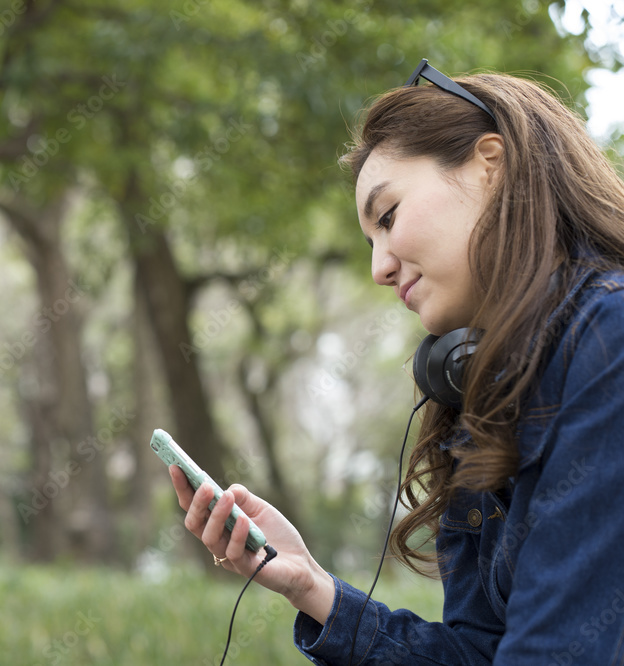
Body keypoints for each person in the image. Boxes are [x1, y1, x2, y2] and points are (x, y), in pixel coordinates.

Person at [170, 59, 624, 664]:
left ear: (492, 165)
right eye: (370, 241)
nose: (379, 268)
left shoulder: (607, 339)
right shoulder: (472, 398)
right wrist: (313, 588)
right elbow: (482, 653)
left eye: (388, 217)